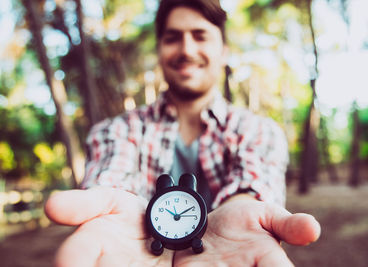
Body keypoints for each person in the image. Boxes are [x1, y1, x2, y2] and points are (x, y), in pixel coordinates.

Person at [45, 0, 321, 266]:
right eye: (173, 37)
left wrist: (243, 209)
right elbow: (112, 178)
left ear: (223, 50)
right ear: (160, 49)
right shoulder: (114, 131)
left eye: (200, 36)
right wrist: (114, 208)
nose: (186, 49)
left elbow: (252, 184)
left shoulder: (261, 132)